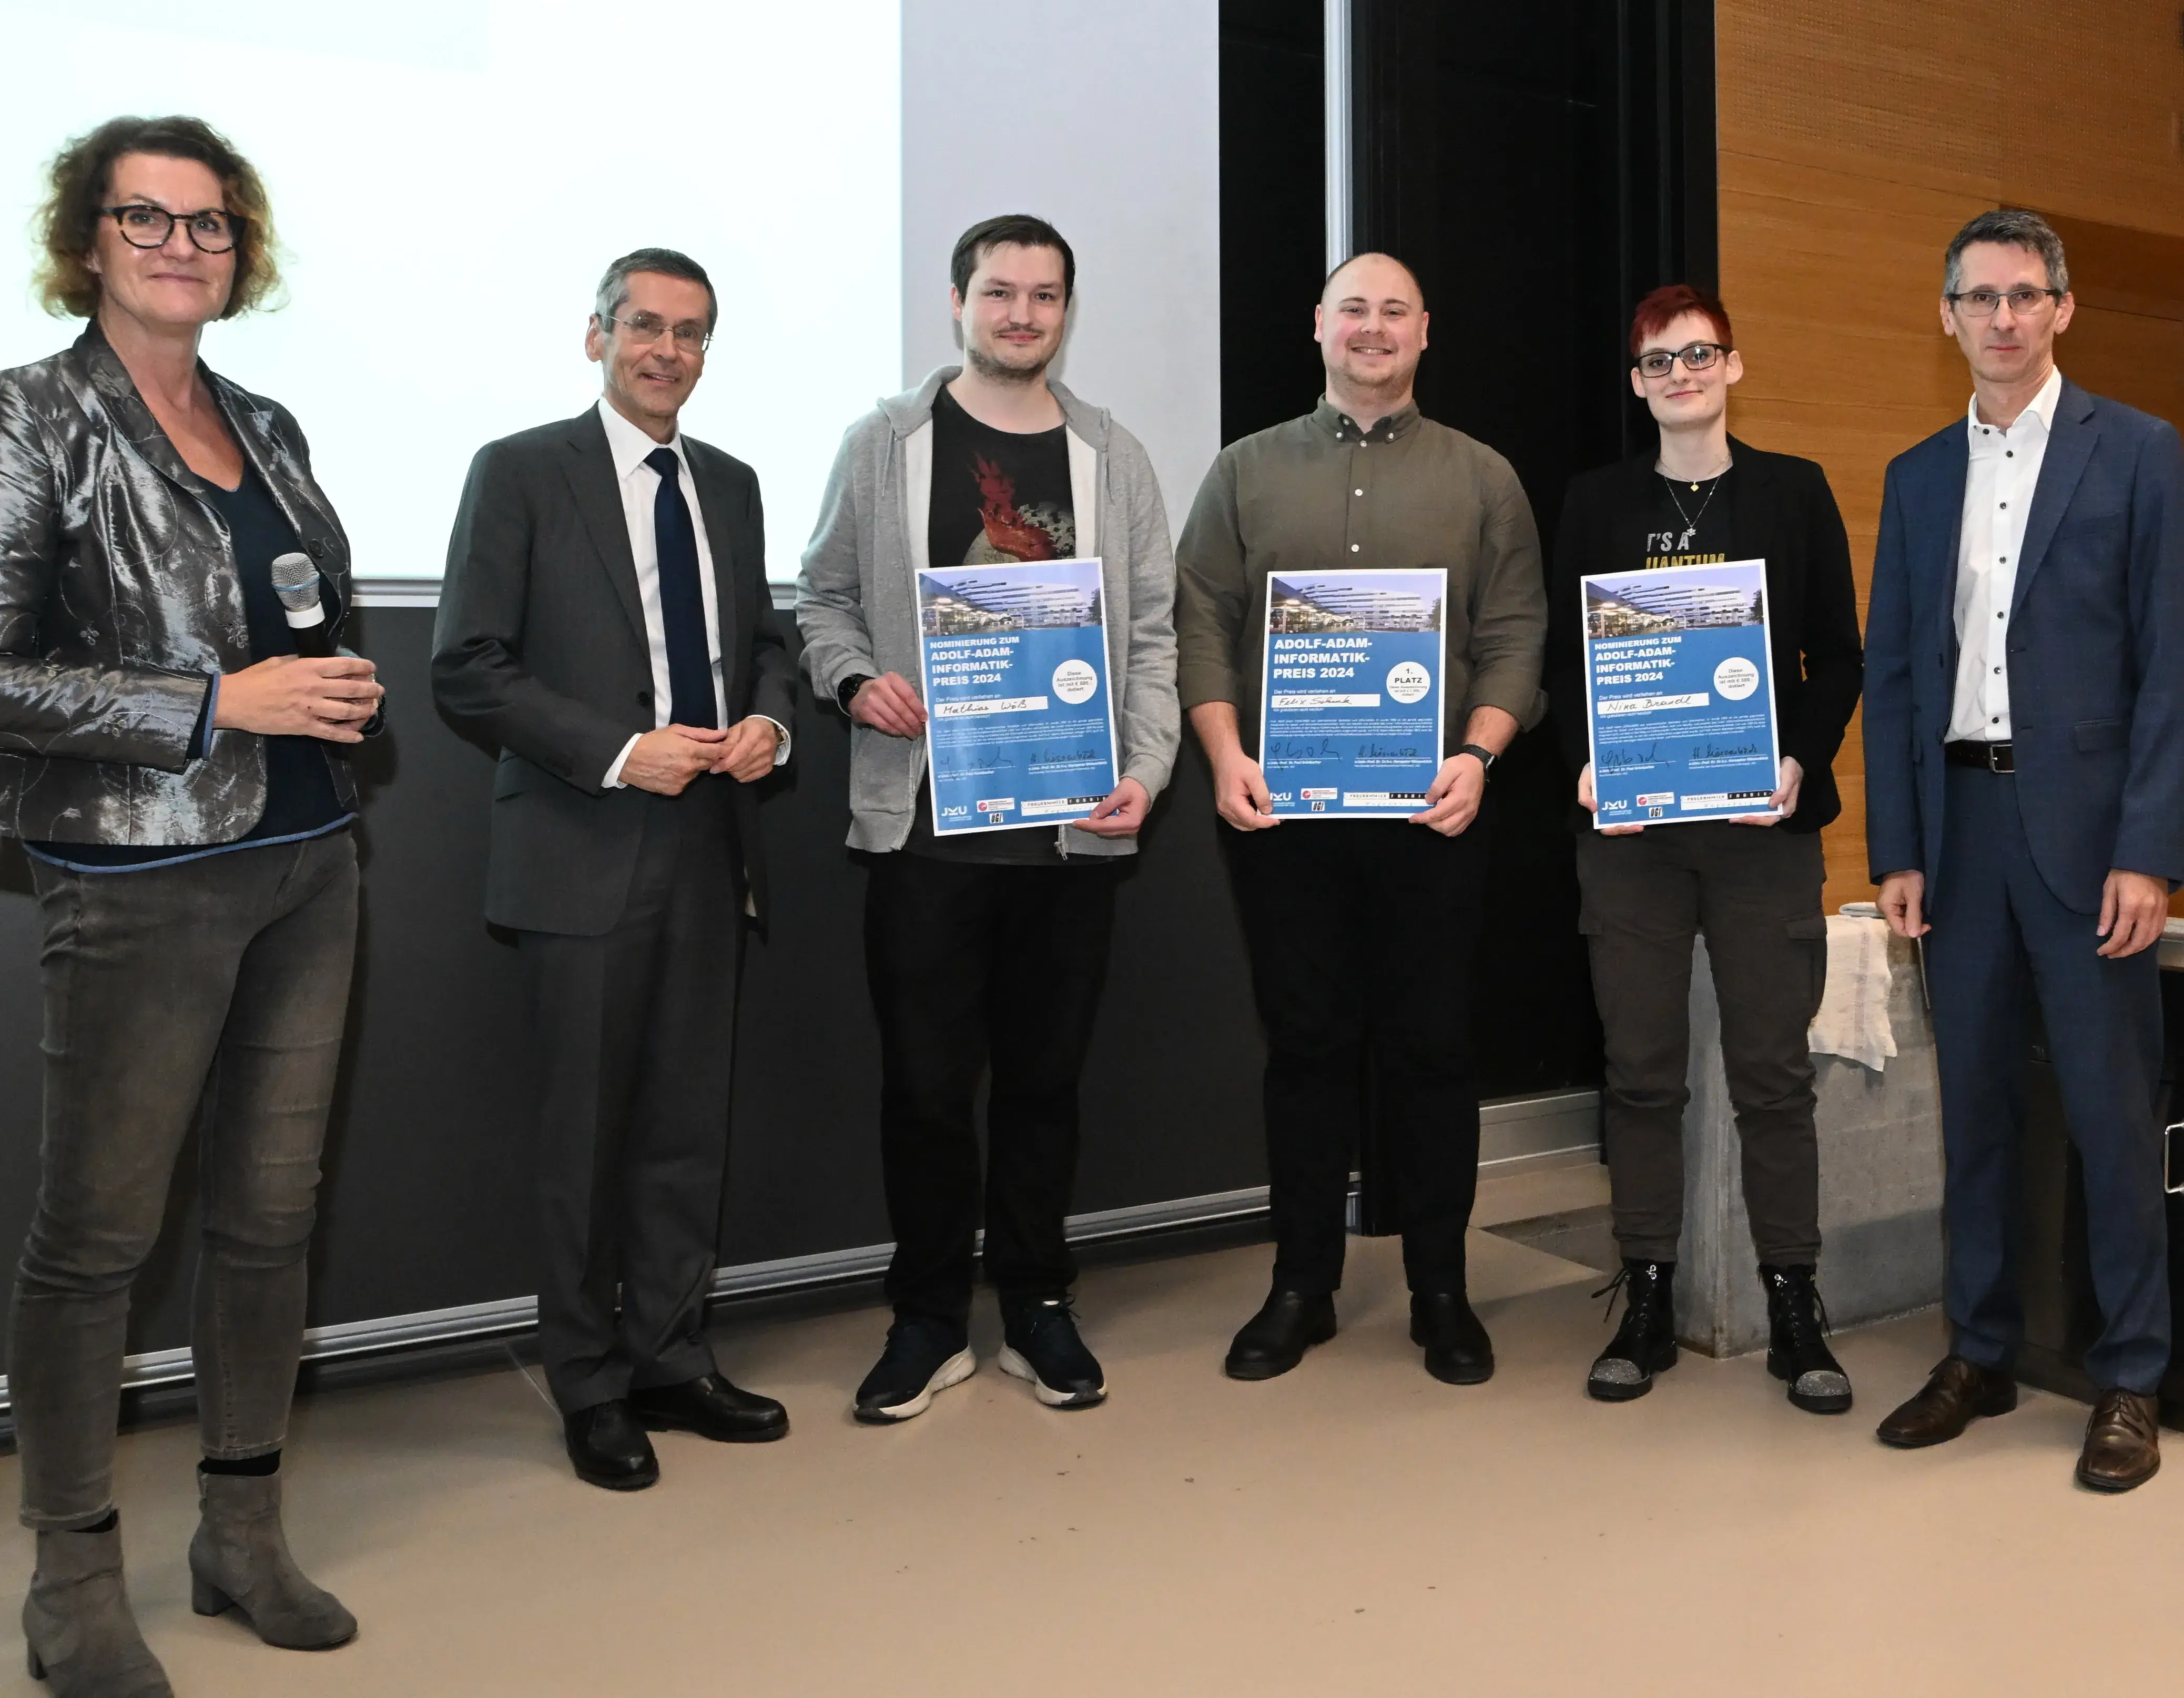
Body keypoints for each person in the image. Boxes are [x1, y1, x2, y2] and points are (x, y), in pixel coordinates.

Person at [0, 117, 383, 1695]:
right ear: (88, 239)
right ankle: (71, 1573)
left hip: (311, 861)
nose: (182, 245)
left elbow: (310, 613)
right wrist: (218, 701)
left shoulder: (268, 420)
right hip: (140, 872)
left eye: (211, 224)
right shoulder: (31, 421)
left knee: (271, 1216)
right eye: (146, 219)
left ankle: (238, 1531)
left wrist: (331, 697)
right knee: (97, 1239)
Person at [796, 214, 1179, 1422]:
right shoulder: (886, 445)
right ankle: (925, 1319)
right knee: (922, 1086)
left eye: (1044, 296)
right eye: (999, 293)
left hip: (1071, 830)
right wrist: (858, 681)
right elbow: (823, 600)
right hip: (924, 829)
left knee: (1045, 1082)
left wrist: (1151, 768)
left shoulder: (1113, 458)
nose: (1021, 315)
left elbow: (1156, 636)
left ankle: (1035, 1305)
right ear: (957, 302)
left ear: (1068, 311)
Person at [433, 248, 796, 1491]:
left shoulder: (735, 486)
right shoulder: (522, 471)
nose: (666, 351)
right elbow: (467, 666)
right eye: (643, 326)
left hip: (711, 842)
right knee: (582, 1138)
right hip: (583, 842)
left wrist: (770, 725)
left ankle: (671, 1356)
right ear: (596, 337)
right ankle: (588, 1384)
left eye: (691, 333)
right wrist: (620, 752)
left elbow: (762, 645)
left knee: (688, 1128)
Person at [1173, 252, 1546, 1386]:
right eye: (1353, 310)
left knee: (1434, 1050)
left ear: (1425, 331)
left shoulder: (1484, 478)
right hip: (1283, 818)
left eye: (1394, 312)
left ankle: (1442, 1286)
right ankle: (1302, 1286)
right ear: (1317, 326)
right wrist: (1226, 754)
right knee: (1307, 1051)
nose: (1373, 330)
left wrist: (1481, 756)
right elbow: (1200, 619)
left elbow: (1516, 636)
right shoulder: (1243, 472)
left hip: (1436, 814)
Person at [1865, 209, 2184, 1491]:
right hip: (1961, 832)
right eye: (1980, 296)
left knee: (2112, 1119)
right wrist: (1900, 845)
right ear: (1946, 316)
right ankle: (1979, 1352)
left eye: (2026, 294)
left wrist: (2149, 851)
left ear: (2062, 311)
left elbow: (2170, 670)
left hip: (2092, 839)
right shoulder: (1915, 474)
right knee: (1979, 1112)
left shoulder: (2145, 455)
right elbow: (1895, 673)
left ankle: (2129, 1378)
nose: (2002, 316)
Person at [1545, 284, 1864, 1411]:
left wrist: (1797, 765)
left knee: (1773, 1080)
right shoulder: (1593, 502)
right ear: (1636, 384)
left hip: (1757, 832)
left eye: (1700, 355)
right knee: (1640, 1075)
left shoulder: (1793, 492)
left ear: (1734, 366)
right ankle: (1646, 1292)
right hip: (1630, 837)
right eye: (1658, 361)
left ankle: (1792, 1300)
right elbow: (1567, 663)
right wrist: (1586, 760)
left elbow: (1839, 655)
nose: (1681, 374)